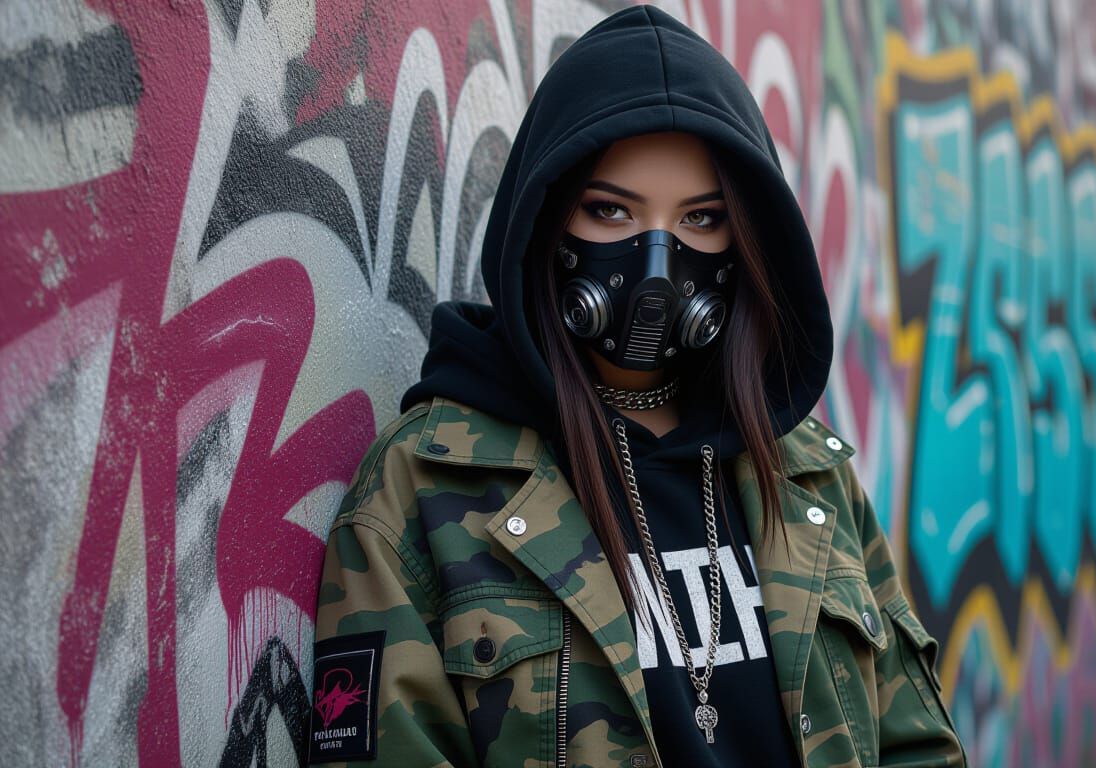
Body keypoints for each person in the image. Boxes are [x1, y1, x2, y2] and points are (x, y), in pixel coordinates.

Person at [307, 5, 965, 767]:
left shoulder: (810, 475)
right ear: (545, 220)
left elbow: (917, 745)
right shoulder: (425, 489)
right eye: (610, 210)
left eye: (702, 218)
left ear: (747, 239)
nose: (657, 266)